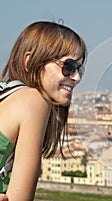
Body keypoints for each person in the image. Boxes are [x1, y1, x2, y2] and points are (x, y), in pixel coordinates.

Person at [0, 21, 87, 200]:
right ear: (30, 61)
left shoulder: (7, 96)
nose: (76, 77)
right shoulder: (33, 101)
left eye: (79, 69)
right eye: (68, 66)